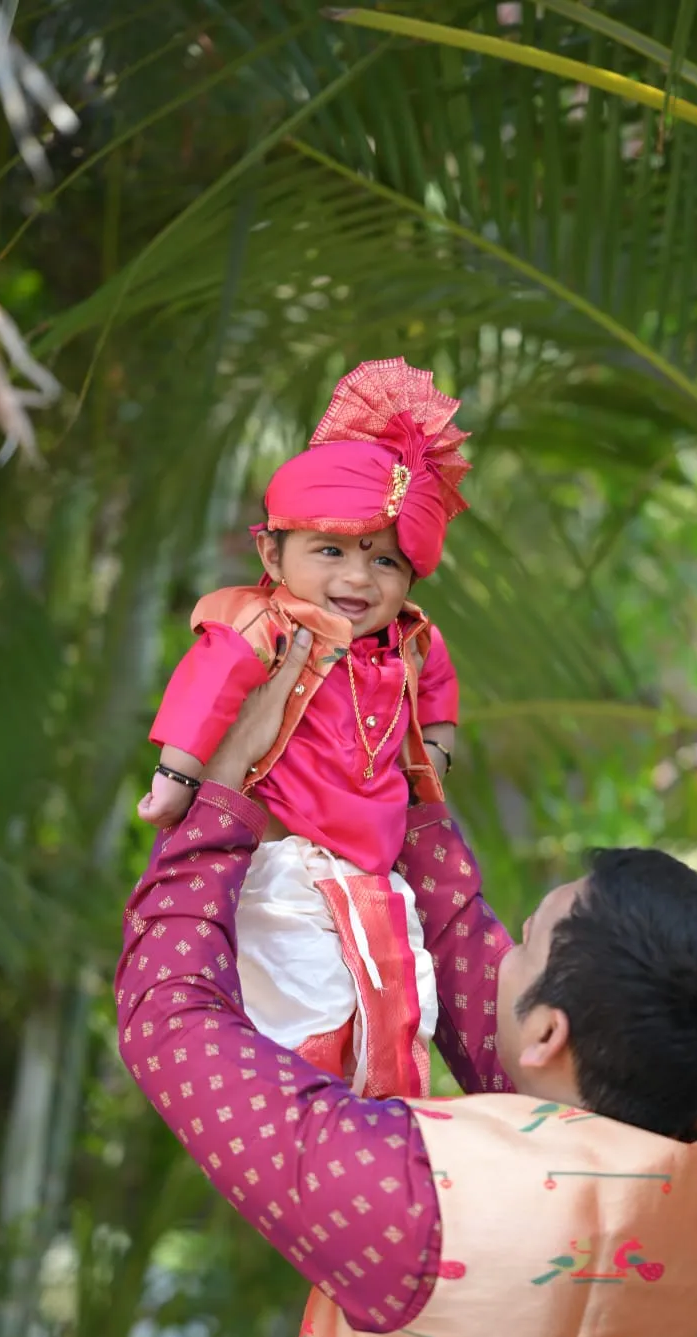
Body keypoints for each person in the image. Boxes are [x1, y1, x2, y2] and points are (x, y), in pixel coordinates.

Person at [117, 630, 697, 1337]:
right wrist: (404, 779)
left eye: (530, 941)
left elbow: (171, 1018)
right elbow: (470, 949)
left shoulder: (416, 1199)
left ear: (548, 1034)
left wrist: (223, 793)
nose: (504, 951)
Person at [137, 357, 470, 1098]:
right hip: (281, 859)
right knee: (306, 1006)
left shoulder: (413, 640)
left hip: (372, 870)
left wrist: (435, 752)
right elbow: (208, 689)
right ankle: (302, 1122)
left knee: (397, 1005)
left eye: (384, 560)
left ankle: (383, 1123)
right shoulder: (260, 624)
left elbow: (439, 690)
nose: (358, 580)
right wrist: (177, 777)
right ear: (270, 553)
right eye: (331, 551)